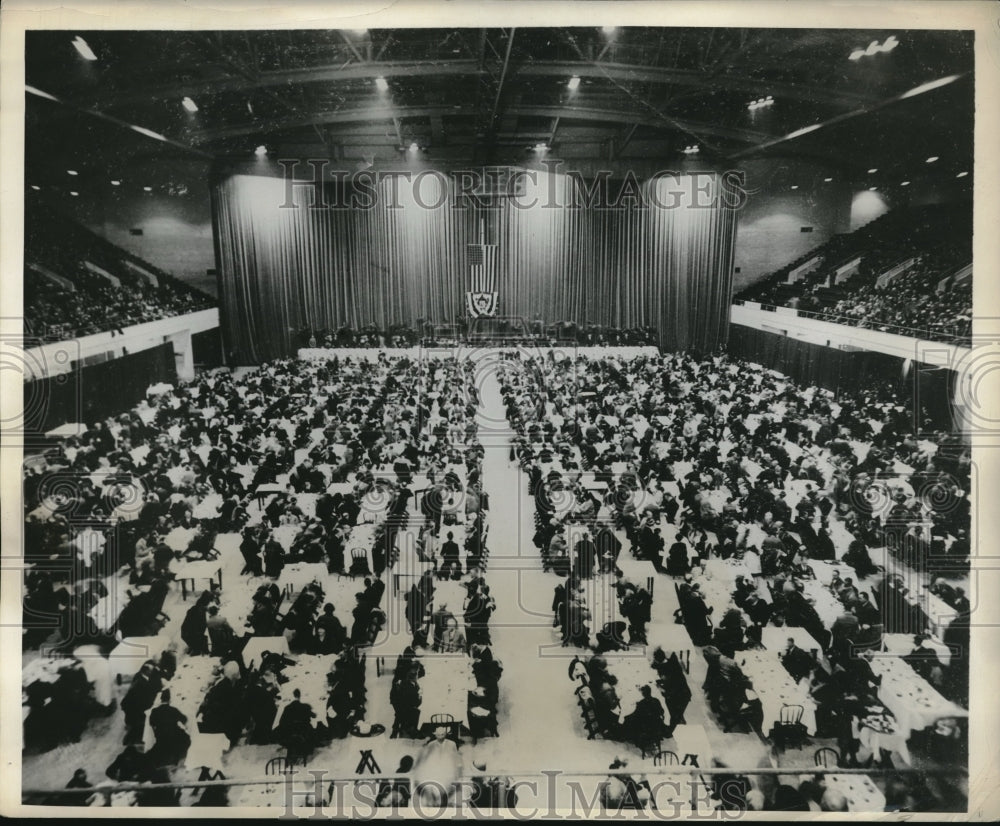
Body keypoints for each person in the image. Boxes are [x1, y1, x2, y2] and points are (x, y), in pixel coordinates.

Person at [412, 725, 463, 808]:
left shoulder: (452, 744)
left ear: (446, 734)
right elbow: (427, 758)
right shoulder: (431, 744)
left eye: (442, 735)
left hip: (448, 769)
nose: (440, 737)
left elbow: (455, 757)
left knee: (448, 793)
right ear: (435, 735)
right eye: (438, 735)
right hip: (435, 770)